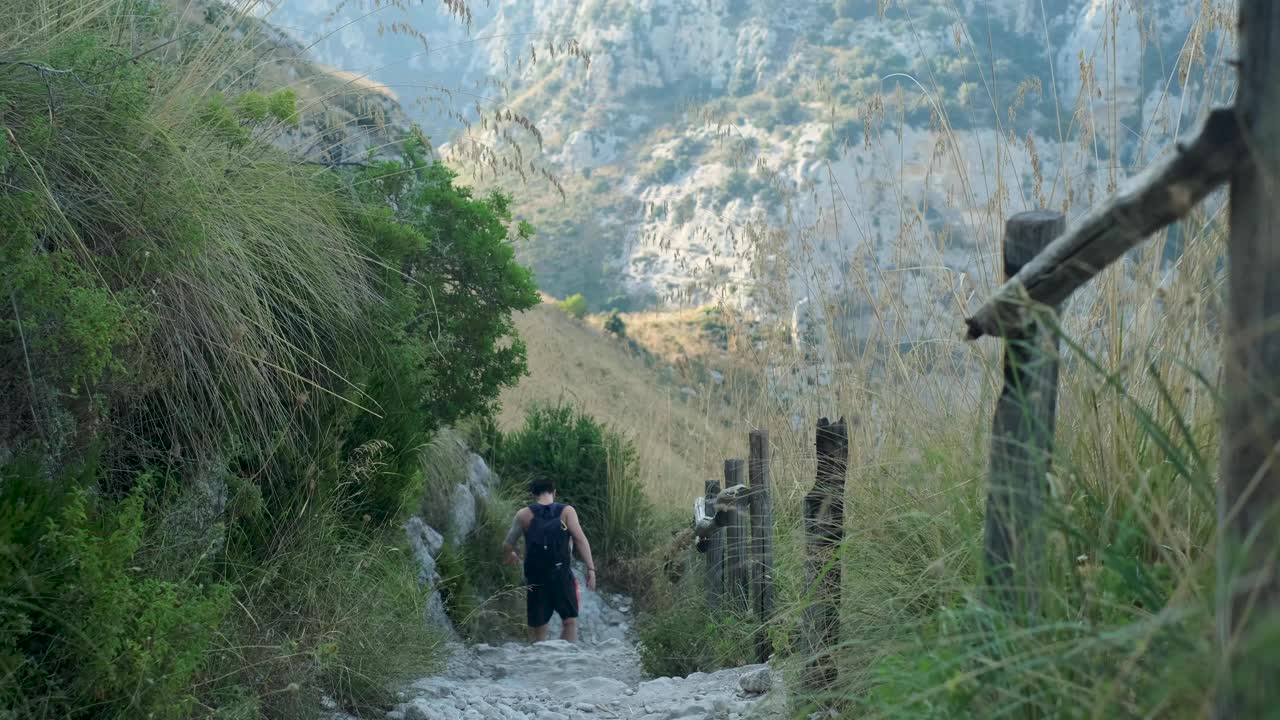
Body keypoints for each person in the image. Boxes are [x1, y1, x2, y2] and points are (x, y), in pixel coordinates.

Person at [502, 478, 596, 642]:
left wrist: (510, 555)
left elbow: (507, 544)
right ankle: (567, 654)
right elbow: (580, 539)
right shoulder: (567, 511)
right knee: (569, 621)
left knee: (539, 628)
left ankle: (540, 655)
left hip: (536, 577)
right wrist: (591, 569)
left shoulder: (523, 515)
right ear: (554, 492)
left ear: (533, 495)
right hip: (562, 575)